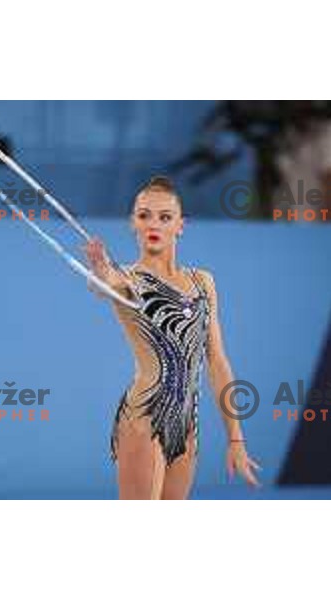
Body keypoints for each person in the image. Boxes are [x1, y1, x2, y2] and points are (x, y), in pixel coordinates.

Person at [85, 176, 261, 499]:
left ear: (181, 225)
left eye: (165, 217)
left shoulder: (203, 282)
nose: (154, 224)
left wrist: (235, 438)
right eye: (144, 215)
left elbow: (218, 362)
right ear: (132, 223)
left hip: (186, 425)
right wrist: (100, 271)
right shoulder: (128, 278)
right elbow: (103, 284)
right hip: (144, 417)